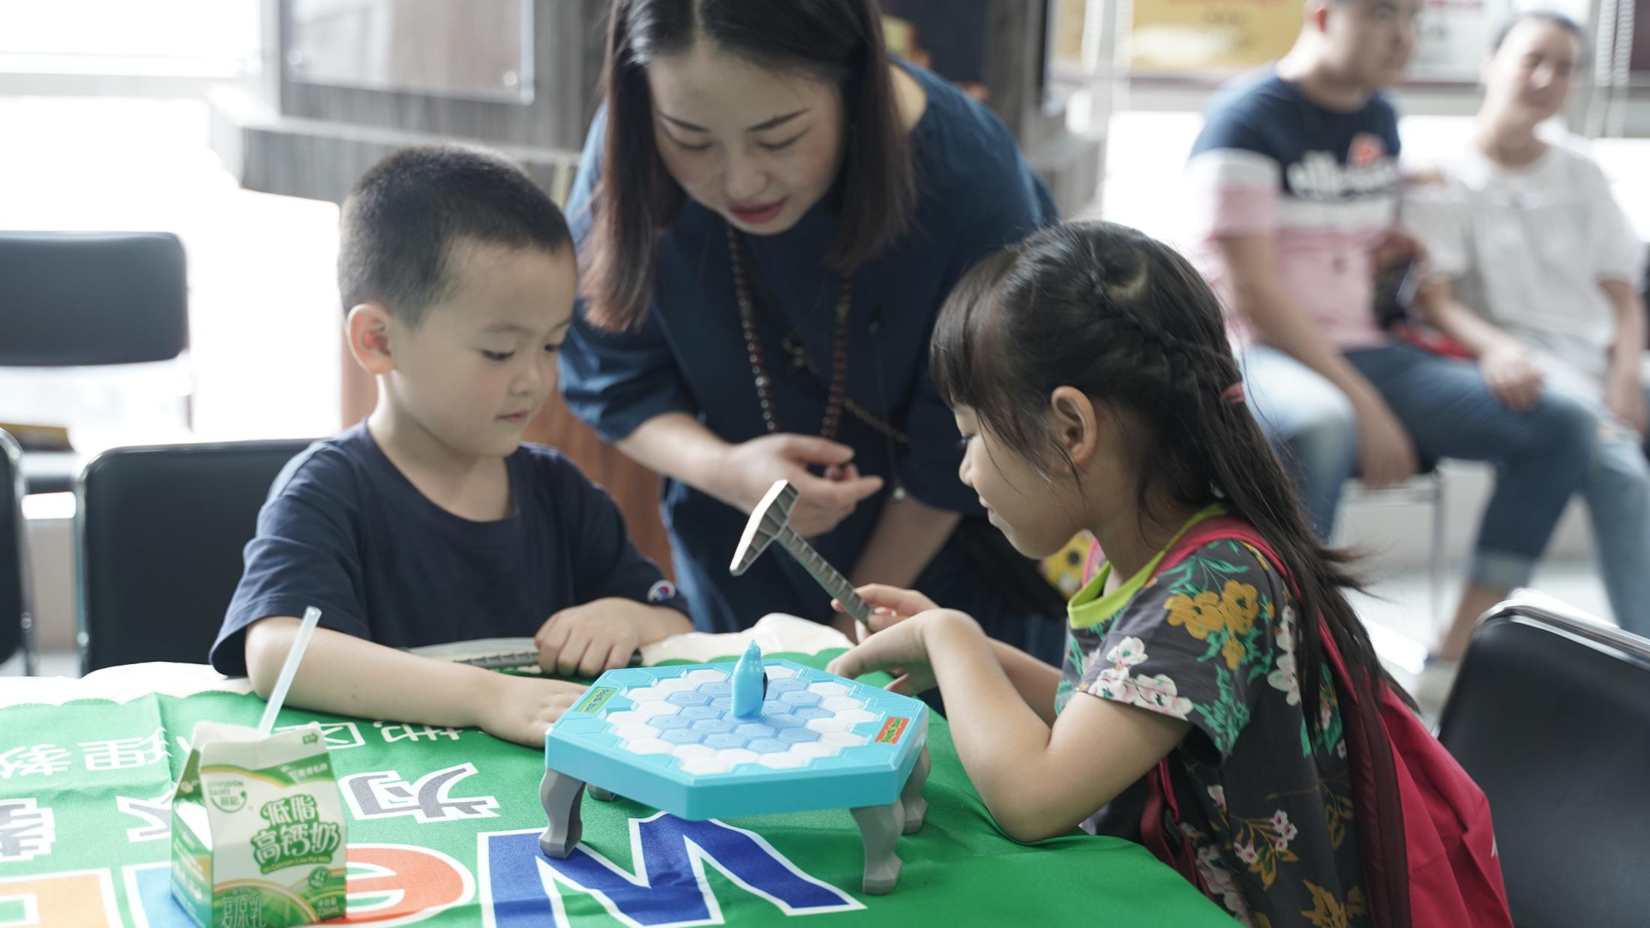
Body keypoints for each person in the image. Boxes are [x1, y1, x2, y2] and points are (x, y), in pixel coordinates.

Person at [829, 222, 1397, 925]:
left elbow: (1034, 799)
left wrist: (954, 641)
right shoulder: (1150, 548)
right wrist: (951, 659)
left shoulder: (1218, 585)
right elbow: (1099, 712)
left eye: (973, 435)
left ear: (1072, 427)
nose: (966, 469)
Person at [559, 0, 1065, 662]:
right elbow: (611, 373)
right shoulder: (634, 144)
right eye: (692, 140)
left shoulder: (971, 181)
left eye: (779, 137)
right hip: (736, 549)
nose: (740, 180)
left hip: (947, 570)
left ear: (854, 83)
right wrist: (728, 471)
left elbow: (964, 450)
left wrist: (840, 634)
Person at [209, 146, 691, 747]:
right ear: (378, 340)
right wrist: (485, 697)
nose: (535, 380)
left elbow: (672, 617)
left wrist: (625, 616)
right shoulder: (328, 490)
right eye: (499, 352)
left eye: (551, 345)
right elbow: (279, 652)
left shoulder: (560, 492)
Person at [1186, 0, 1594, 672]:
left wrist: (1398, 235)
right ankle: (1288, 660)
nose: (1404, 35)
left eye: (1412, 17)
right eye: (1381, 13)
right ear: (1321, 16)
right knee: (1323, 422)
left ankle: (1460, 653)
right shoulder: (1245, 120)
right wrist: (1366, 407)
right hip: (1261, 350)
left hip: (1368, 347)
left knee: (1563, 422)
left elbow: (1346, 223)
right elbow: (1254, 294)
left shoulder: (1378, 115)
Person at [1406, 11, 1650, 639]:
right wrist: (1497, 349)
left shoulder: (1583, 171)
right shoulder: (1442, 173)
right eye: (1532, 60)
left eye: (1565, 68)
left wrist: (1626, 373)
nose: (1547, 78)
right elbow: (1436, 298)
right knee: (1618, 472)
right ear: (1491, 65)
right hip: (1528, 364)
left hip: (1605, 359)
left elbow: (1623, 293)